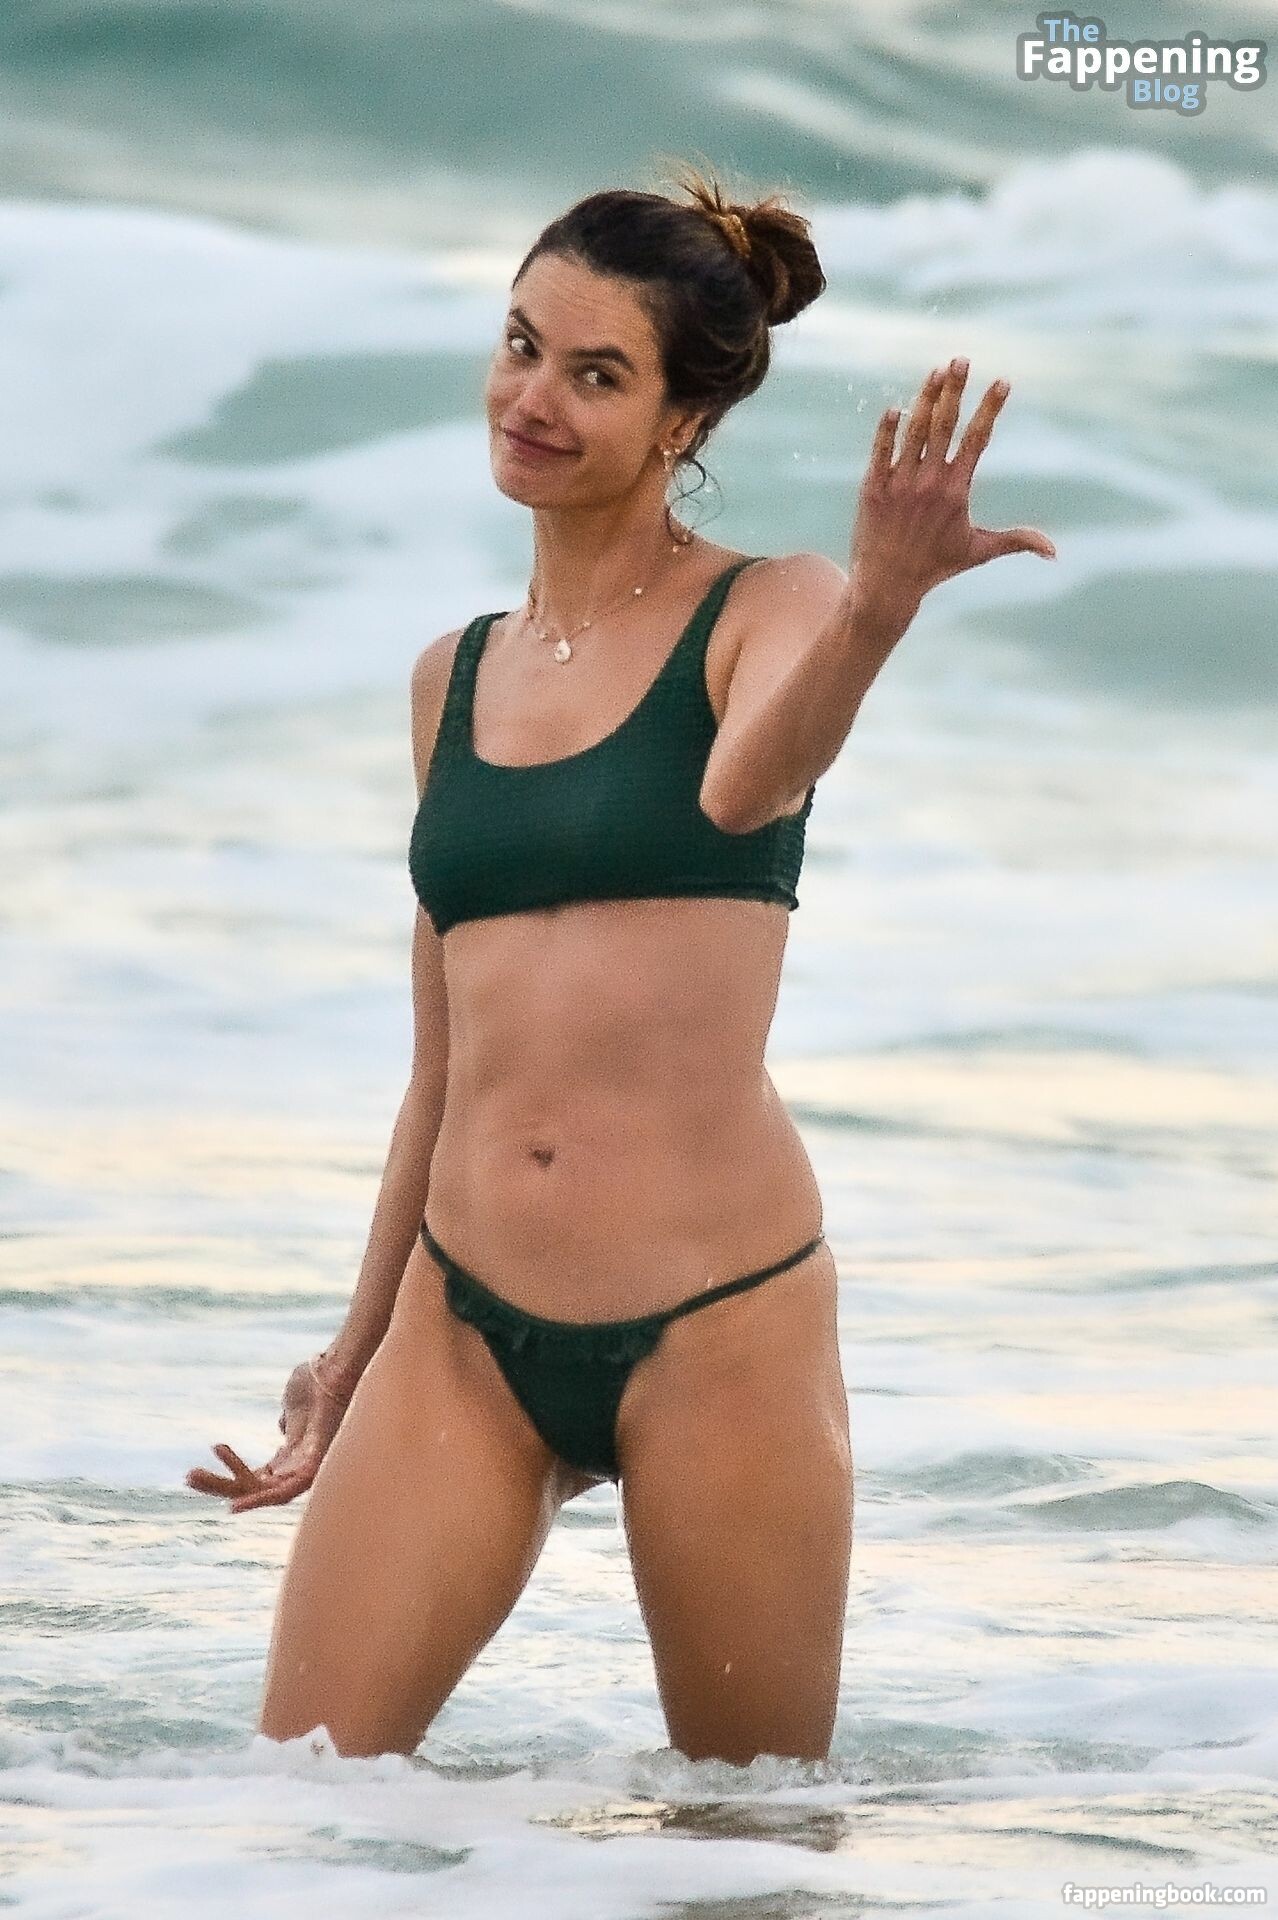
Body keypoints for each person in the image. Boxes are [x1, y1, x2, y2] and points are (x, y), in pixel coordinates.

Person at [186, 164, 1056, 1765]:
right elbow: (444, 1065)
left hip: (714, 1324)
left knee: (747, 1831)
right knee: (302, 1798)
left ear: (679, 424)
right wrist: (351, 1350)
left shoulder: (772, 607)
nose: (531, 399)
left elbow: (746, 790)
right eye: (521, 346)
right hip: (462, 1327)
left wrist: (876, 609)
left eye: (595, 375)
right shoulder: (452, 676)